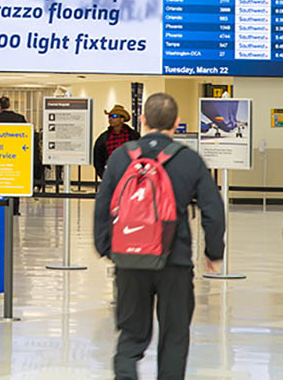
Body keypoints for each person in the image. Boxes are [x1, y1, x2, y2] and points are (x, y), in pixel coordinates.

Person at [93, 92, 225, 380]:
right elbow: (213, 210)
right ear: (176, 124)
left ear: (142, 120)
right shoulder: (189, 160)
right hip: (174, 261)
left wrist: (106, 248)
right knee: (174, 336)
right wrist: (214, 252)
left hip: (129, 259)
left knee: (130, 336)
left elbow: (102, 205)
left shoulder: (120, 158)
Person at [94, 104, 140, 179]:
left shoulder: (133, 136)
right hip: (112, 175)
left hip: (130, 175)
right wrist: (105, 176)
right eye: (109, 116)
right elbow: (98, 161)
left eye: (114, 116)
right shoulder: (103, 138)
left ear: (122, 119)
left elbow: (139, 155)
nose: (111, 119)